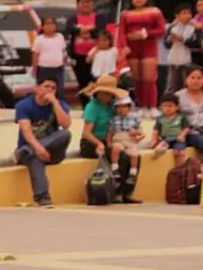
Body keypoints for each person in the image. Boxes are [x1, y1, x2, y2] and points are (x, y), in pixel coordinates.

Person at [78, 75, 141, 203]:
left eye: (109, 93)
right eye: (104, 93)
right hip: (92, 142)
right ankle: (117, 193)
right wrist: (98, 143)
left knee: (135, 156)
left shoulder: (113, 104)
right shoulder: (92, 107)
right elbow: (86, 133)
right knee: (122, 158)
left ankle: (128, 192)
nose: (107, 96)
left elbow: (127, 117)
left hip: (111, 140)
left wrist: (134, 133)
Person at [13, 77, 72, 207]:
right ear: (37, 89)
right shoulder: (24, 106)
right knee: (35, 159)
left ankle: (27, 150)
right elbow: (26, 130)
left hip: (50, 152)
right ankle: (42, 197)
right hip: (31, 150)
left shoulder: (59, 104)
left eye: (53, 88)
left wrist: (55, 103)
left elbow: (66, 125)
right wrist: (38, 149)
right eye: (46, 86)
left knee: (65, 134)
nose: (50, 90)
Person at [118, 0, 166, 116]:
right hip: (132, 48)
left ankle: (152, 106)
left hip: (149, 47)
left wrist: (145, 34)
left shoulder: (155, 11)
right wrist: (124, 46)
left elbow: (161, 30)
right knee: (137, 79)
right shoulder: (125, 14)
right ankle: (141, 106)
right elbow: (121, 32)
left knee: (148, 78)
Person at [65, 0, 109, 107]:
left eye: (88, 2)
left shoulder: (100, 17)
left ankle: (99, 105)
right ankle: (86, 107)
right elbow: (70, 29)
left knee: (97, 81)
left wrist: (88, 33)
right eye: (83, 2)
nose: (86, 4)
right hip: (78, 56)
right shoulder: (72, 18)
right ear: (77, 4)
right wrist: (84, 31)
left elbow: (101, 30)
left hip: (97, 56)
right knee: (83, 82)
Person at [175, 65, 203, 153]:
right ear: (186, 79)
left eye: (199, 78)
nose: (196, 81)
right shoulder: (177, 97)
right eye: (192, 77)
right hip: (190, 133)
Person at [163, 5, 199, 93]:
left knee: (186, 85)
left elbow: (195, 44)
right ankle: (167, 104)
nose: (188, 15)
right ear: (177, 16)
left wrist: (182, 39)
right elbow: (166, 45)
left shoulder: (194, 27)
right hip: (173, 60)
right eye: (184, 13)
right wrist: (170, 40)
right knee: (171, 86)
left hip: (187, 61)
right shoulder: (172, 27)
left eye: (190, 13)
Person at [107, 98, 143, 185]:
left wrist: (138, 135)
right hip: (119, 138)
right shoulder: (114, 119)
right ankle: (115, 167)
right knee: (116, 148)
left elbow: (141, 132)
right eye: (118, 107)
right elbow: (111, 132)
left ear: (129, 108)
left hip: (130, 139)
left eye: (124, 107)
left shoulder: (134, 118)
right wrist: (108, 142)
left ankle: (133, 173)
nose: (121, 110)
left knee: (134, 155)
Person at [151, 93, 190, 168]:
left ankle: (179, 170)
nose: (167, 108)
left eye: (170, 106)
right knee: (160, 146)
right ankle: (158, 150)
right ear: (161, 107)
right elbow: (156, 130)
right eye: (165, 106)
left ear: (177, 107)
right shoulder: (160, 119)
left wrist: (182, 135)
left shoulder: (181, 116)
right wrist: (153, 140)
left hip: (177, 139)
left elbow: (186, 128)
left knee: (179, 153)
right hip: (165, 139)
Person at [32, 17, 67, 98]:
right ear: (43, 26)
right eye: (47, 23)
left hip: (58, 69)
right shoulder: (39, 39)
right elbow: (35, 54)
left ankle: (58, 108)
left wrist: (64, 61)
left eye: (52, 23)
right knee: (43, 91)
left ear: (55, 26)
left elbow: (63, 50)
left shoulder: (60, 37)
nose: (50, 25)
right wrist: (34, 69)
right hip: (43, 69)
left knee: (59, 90)